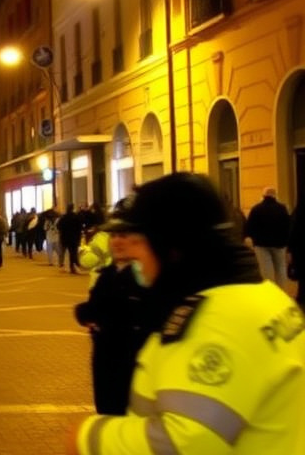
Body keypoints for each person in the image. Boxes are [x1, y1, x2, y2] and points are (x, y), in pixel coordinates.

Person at [68, 173, 305, 455]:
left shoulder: (214, 322)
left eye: (140, 239)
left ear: (173, 246)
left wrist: (90, 437)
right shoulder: (265, 296)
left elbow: (186, 442)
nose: (129, 249)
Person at [73, 196, 152, 415]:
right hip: (106, 362)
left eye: (124, 235)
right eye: (114, 235)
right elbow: (96, 307)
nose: (117, 241)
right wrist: (84, 313)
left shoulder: (146, 277)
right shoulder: (108, 274)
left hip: (132, 367)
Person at [244, 186, 291, 291]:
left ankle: (270, 291)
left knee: (266, 270)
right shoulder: (283, 209)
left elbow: (249, 226)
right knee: (281, 269)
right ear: (275, 196)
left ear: (263, 196)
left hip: (261, 244)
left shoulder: (256, 209)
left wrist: (249, 237)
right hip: (280, 244)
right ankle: (282, 291)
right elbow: (288, 226)